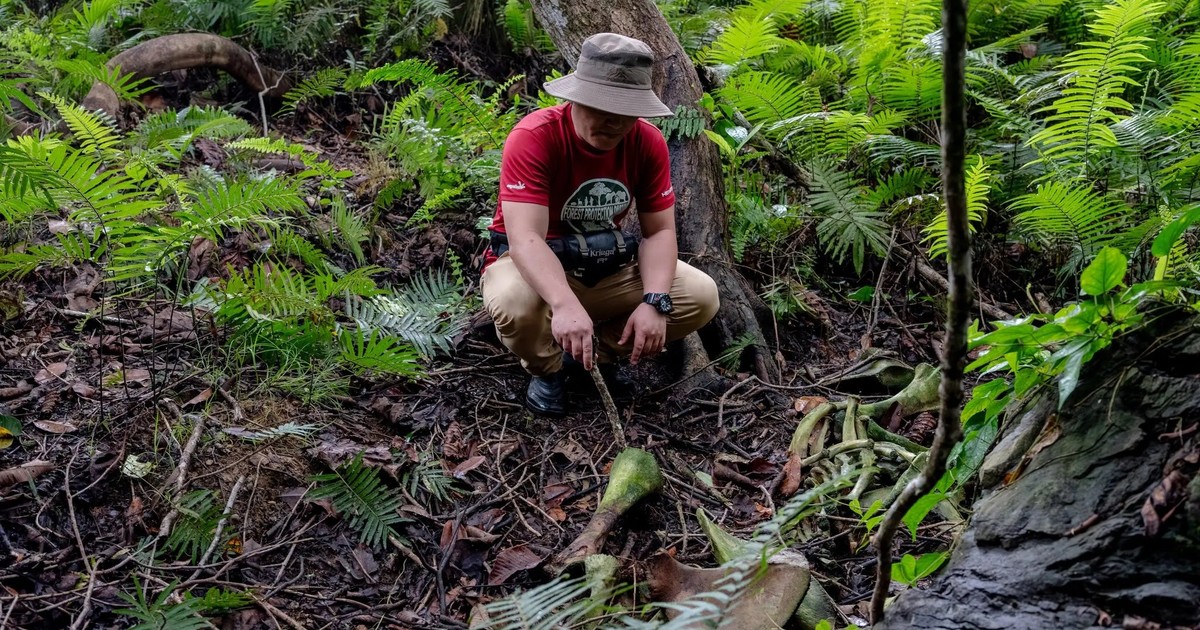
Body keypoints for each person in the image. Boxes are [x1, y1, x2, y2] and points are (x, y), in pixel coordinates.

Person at [481, 32, 720, 417]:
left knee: (700, 294)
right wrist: (563, 303)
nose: (614, 122)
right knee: (515, 303)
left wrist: (655, 300)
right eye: (603, 107)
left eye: (626, 111)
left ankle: (595, 355)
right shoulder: (535, 137)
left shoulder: (647, 143)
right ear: (576, 98)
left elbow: (659, 232)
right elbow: (525, 238)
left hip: (604, 265)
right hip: (533, 270)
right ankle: (548, 368)